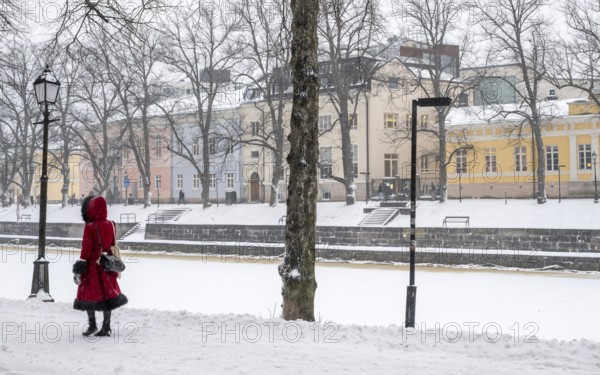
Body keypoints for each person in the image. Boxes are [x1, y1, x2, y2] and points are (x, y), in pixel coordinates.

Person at [73, 195, 127, 337]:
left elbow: (86, 250)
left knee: (88, 296)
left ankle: (92, 325)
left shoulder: (90, 227)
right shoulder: (111, 224)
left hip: (93, 267)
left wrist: (79, 268)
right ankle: (106, 327)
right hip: (108, 265)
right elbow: (113, 245)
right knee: (107, 296)